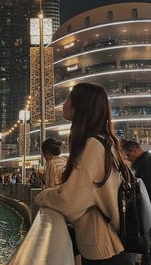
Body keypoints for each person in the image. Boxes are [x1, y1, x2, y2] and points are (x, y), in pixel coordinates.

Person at [35, 83, 134, 265]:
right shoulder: (106, 141)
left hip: (105, 249)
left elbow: (69, 201)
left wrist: (41, 196)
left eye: (68, 99)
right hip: (114, 245)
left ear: (80, 106)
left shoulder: (92, 146)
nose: (64, 104)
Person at [122, 140, 151, 265]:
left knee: (148, 244)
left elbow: (145, 189)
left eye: (128, 155)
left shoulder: (144, 163)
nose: (128, 158)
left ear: (134, 150)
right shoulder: (146, 159)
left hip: (148, 209)